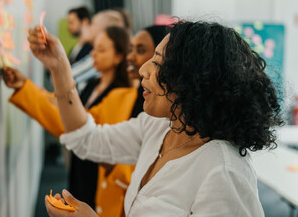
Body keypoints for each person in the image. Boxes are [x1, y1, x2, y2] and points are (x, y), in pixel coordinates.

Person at [27, 20, 283, 216]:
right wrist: (59, 66)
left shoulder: (223, 172)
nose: (142, 69)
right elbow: (89, 139)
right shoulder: (161, 127)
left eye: (157, 63)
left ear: (193, 80)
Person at [4, 25, 167, 217]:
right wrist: (55, 69)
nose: (137, 62)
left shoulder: (175, 137)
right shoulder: (130, 106)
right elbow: (83, 131)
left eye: (144, 53)